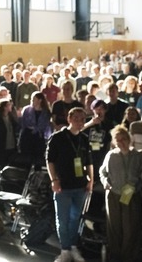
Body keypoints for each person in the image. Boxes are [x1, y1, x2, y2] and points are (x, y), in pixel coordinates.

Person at [46, 107, 93, 262]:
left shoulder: (84, 138)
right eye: (77, 118)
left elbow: (89, 161)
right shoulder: (58, 137)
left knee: (75, 218)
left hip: (80, 185)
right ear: (69, 119)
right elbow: (50, 160)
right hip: (63, 185)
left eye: (83, 119)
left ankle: (72, 246)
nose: (80, 122)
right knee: (63, 219)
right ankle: (65, 249)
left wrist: (91, 180)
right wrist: (54, 180)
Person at [98, 126, 142, 262]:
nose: (121, 142)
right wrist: (105, 182)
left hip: (132, 195)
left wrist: (138, 187)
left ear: (129, 139)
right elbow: (102, 172)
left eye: (123, 139)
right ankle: (115, 257)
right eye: (117, 140)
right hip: (113, 194)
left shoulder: (138, 155)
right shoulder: (111, 155)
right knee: (114, 228)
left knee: (131, 229)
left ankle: (128, 257)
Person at [19, 91, 53, 169]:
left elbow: (46, 125)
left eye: (34, 99)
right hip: (27, 136)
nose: (32, 101)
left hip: (39, 137)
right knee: (26, 160)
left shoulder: (46, 112)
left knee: (38, 160)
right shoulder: (27, 110)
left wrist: (37, 129)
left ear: (40, 100)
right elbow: (23, 123)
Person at [0, 98, 19, 168]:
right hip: (1, 147)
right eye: (8, 105)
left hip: (11, 146)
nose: (10, 106)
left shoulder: (11, 118)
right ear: (4, 107)